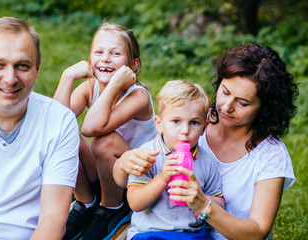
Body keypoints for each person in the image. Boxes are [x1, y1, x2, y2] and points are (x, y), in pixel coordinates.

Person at [115, 43, 298, 240]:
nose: (226, 107)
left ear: (264, 109)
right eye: (225, 92)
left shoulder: (270, 154)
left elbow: (258, 232)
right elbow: (125, 182)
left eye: (243, 103)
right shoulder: (191, 119)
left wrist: (203, 205)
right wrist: (124, 163)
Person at [0, 17, 79, 240]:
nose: (10, 79)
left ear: (37, 68)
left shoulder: (60, 121)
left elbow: (53, 220)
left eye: (22, 66)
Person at [54, 22, 157, 240]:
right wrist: (67, 77)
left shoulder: (137, 96)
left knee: (103, 141)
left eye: (115, 53)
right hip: (106, 174)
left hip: (137, 178)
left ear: (133, 64)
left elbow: (92, 128)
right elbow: (54, 125)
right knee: (64, 135)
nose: (106, 58)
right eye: (99, 52)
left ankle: (112, 208)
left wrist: (113, 85)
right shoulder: (90, 88)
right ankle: (86, 202)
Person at [126, 80, 224, 240]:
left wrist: (202, 200)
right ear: (159, 124)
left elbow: (219, 201)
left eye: (194, 123)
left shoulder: (207, 161)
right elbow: (135, 203)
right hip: (151, 233)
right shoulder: (148, 154)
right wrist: (163, 177)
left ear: (203, 129)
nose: (185, 131)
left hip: (193, 235)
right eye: (176, 121)